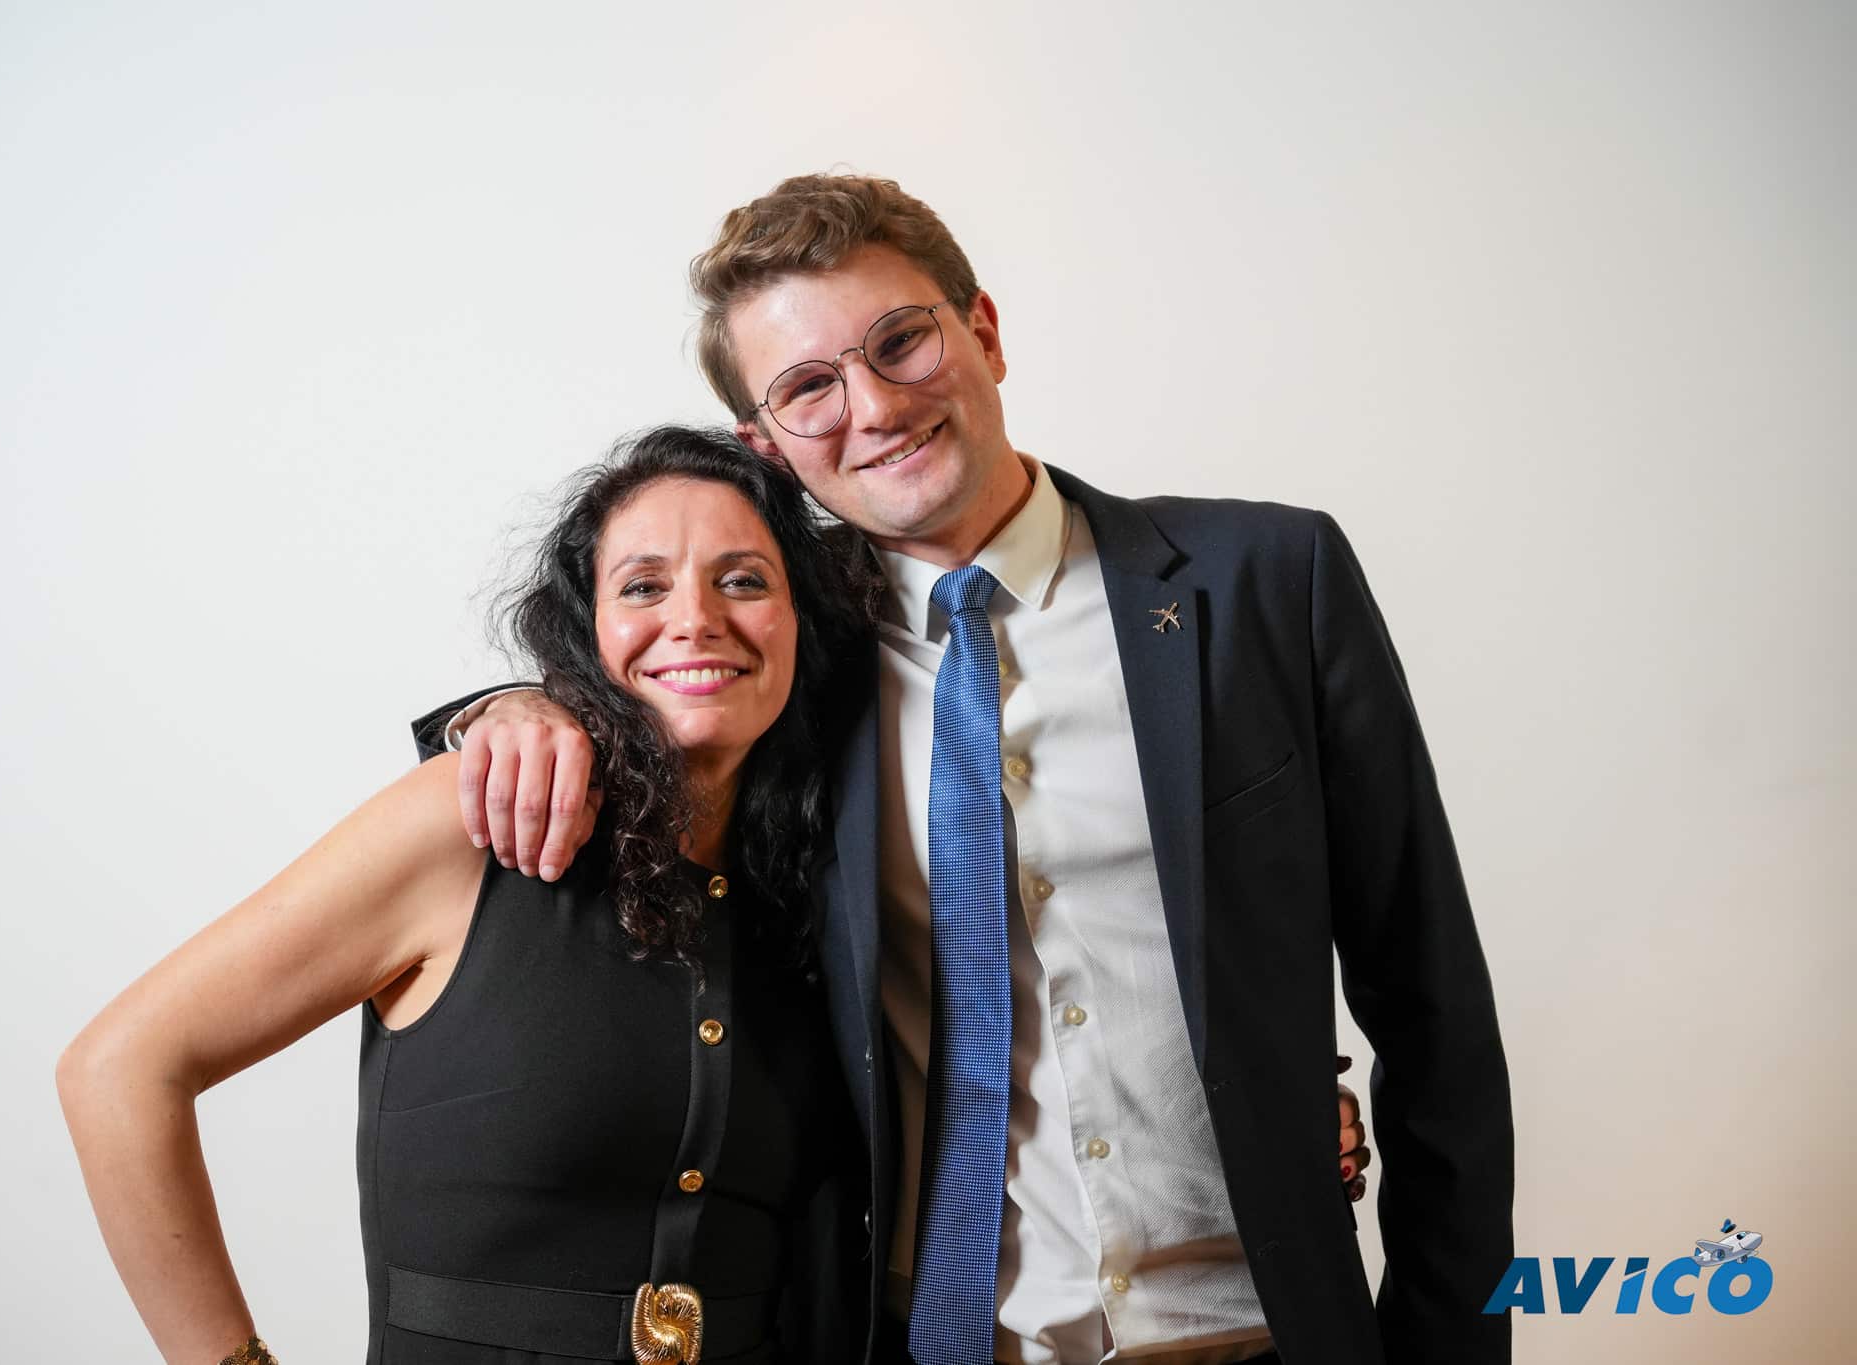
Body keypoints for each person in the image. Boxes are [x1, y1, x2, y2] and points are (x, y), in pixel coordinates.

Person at [422, 175, 1513, 1365]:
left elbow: (1432, 1012)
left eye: (900, 341)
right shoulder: (782, 658)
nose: (875, 406)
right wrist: (513, 706)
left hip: (1261, 1334)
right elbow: (639, 677)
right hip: (921, 1340)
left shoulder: (1262, 581)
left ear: (981, 331)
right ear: (767, 446)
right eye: (808, 387)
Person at [58, 426, 875, 1364]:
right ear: (588, 629)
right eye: (643, 586)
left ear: (799, 620)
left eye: (743, 580)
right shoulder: (464, 825)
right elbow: (118, 1069)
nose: (694, 618)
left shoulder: (814, 888)